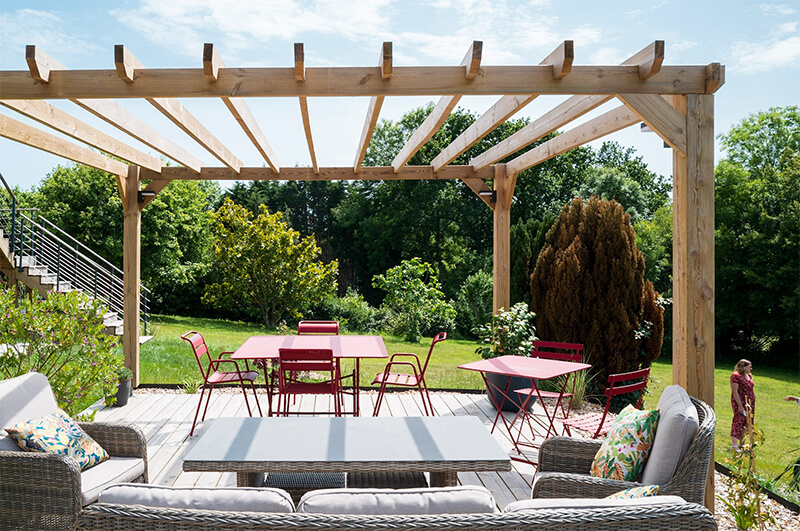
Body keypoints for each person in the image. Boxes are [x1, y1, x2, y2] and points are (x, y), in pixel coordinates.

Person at [730, 359, 755, 451]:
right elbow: (735, 391)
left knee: (747, 422)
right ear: (743, 367)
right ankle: (734, 444)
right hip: (740, 401)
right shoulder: (736, 376)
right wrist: (740, 405)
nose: (751, 368)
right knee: (738, 421)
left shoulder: (749, 376)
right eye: (749, 366)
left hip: (750, 402)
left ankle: (742, 444)